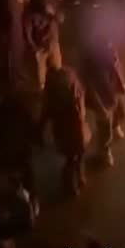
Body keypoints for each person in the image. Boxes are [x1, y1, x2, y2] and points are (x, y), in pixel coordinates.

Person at [42, 65, 90, 197]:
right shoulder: (70, 77)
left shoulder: (53, 87)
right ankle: (75, 180)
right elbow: (81, 93)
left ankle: (73, 181)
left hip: (68, 127)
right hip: (74, 125)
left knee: (73, 155)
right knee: (77, 153)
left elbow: (47, 111)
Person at [81, 39, 125, 167]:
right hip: (104, 97)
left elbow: (116, 67)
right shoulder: (93, 62)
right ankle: (105, 151)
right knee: (105, 126)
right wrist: (99, 107)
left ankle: (115, 127)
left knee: (116, 114)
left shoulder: (109, 51)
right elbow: (90, 87)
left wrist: (122, 83)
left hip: (110, 92)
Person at [2, 0, 32, 92]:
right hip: (13, 20)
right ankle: (14, 80)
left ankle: (18, 74)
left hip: (17, 18)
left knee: (19, 48)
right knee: (14, 49)